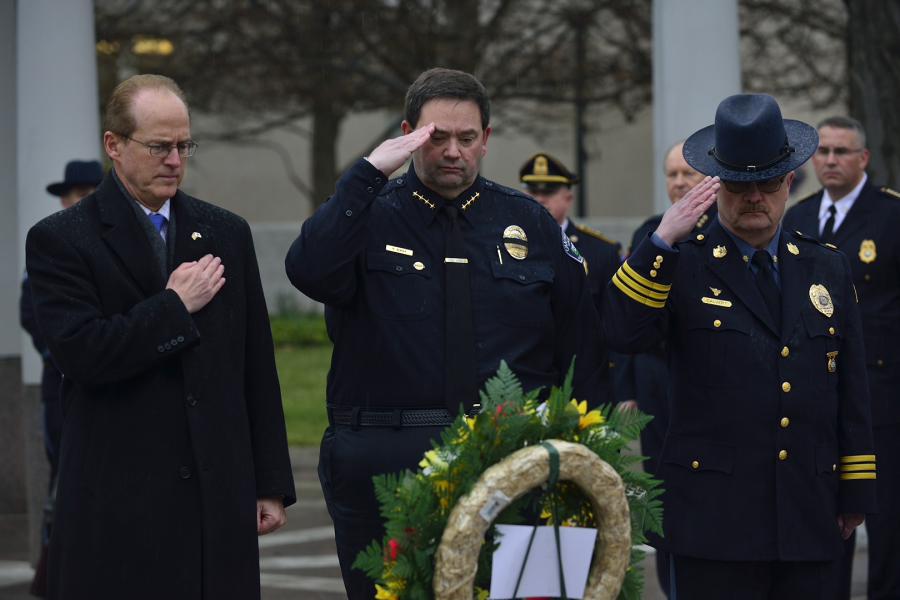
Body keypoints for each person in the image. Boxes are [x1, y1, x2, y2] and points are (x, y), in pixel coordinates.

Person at [285, 67, 603, 599]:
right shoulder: (366, 216)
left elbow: (581, 353)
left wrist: (579, 464)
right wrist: (365, 175)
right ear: (409, 133)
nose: (452, 151)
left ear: (486, 140)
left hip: (517, 467)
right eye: (436, 137)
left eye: (466, 138)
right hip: (388, 464)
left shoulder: (530, 223)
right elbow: (308, 270)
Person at [25, 74, 295, 600]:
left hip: (214, 500)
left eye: (183, 145)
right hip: (119, 502)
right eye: (158, 146)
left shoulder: (225, 232)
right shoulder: (61, 240)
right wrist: (173, 308)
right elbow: (83, 355)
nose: (175, 159)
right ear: (114, 146)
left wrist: (270, 484)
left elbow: (255, 366)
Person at [604, 94, 876, 598]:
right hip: (713, 519)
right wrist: (660, 242)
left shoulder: (825, 266)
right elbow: (622, 333)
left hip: (808, 509)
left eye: (767, 183)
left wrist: (855, 487)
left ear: (789, 181)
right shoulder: (681, 263)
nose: (754, 197)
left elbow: (851, 384)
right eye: (738, 185)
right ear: (716, 185)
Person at [784, 115, 900, 600]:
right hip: (821, 400)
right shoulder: (798, 217)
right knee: (827, 527)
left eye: (841, 152)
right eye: (824, 151)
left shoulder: (892, 217)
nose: (830, 160)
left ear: (864, 159)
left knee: (889, 527)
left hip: (885, 398)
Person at [614, 140, 711, 597]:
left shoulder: (723, 232)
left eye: (686, 175)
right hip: (656, 383)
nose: (677, 183)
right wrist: (627, 386)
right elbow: (632, 322)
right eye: (671, 174)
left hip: (705, 383)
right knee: (661, 490)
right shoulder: (653, 232)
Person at [20, 159, 104, 597]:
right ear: (63, 198)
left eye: (91, 191)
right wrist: (75, 350)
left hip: (108, 383)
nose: (82, 199)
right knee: (63, 482)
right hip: (61, 384)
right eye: (76, 193)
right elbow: (34, 314)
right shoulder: (52, 243)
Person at [519, 152, 621, 404]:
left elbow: (614, 324)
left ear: (568, 196)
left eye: (549, 192)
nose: (540, 199)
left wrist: (624, 388)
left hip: (586, 383)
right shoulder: (508, 246)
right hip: (524, 382)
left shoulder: (601, 251)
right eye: (533, 192)